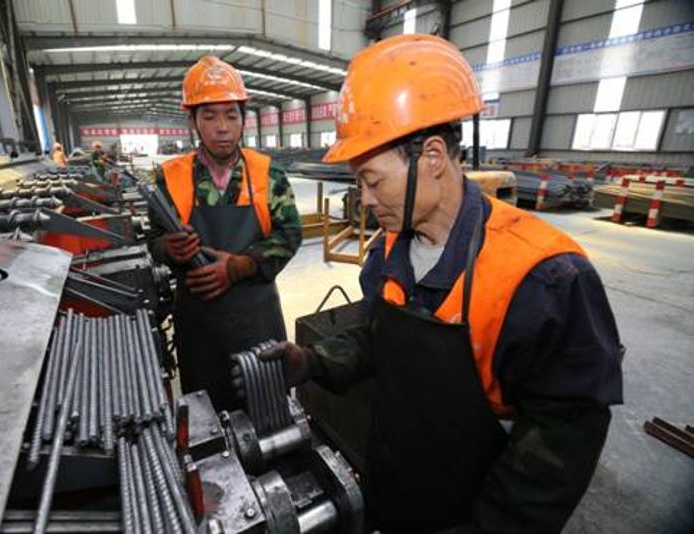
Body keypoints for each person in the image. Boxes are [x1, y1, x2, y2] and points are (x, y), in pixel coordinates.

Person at [256, 35, 623, 533]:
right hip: (392, 482)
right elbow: (380, 337)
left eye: (372, 181)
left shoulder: (544, 279)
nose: (365, 200)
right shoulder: (388, 250)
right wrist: (313, 361)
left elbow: (560, 443)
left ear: (431, 156)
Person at [147, 55, 302, 411]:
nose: (222, 128)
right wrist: (168, 248)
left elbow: (291, 234)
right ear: (192, 120)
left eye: (231, 115)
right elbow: (153, 240)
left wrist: (240, 267)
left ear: (244, 118)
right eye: (209, 116)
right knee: (208, 414)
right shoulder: (170, 178)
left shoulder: (268, 174)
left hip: (257, 320)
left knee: (268, 406)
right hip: (200, 327)